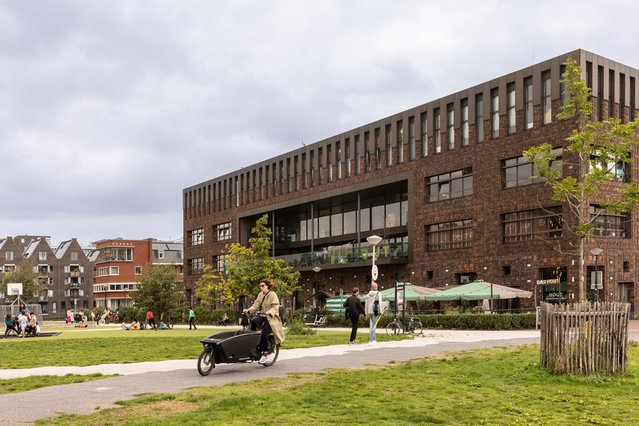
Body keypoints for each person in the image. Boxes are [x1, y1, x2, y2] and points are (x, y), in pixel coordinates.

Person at [244, 278, 285, 364]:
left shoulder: (273, 294)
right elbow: (255, 306)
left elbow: (275, 307)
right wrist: (248, 310)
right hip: (263, 316)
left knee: (264, 334)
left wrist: (269, 312)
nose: (261, 288)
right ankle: (253, 341)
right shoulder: (260, 295)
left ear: (268, 286)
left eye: (263, 286)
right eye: (260, 286)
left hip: (271, 318)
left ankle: (265, 355)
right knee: (254, 321)